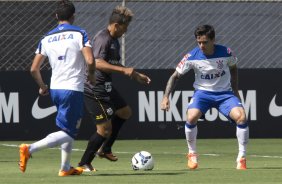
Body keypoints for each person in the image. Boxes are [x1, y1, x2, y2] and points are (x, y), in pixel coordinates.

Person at [18, 0, 95, 176]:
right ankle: (29, 149)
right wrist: (91, 76)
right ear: (73, 16)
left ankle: (65, 168)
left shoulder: (46, 38)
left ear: (56, 17)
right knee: (70, 133)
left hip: (56, 89)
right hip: (73, 88)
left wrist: (43, 86)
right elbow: (90, 61)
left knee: (66, 129)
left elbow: (33, 69)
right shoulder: (79, 33)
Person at [160, 24, 249, 170]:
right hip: (202, 94)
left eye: (205, 42)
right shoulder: (191, 56)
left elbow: (233, 68)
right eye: (199, 42)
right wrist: (165, 97)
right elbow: (175, 76)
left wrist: (235, 88)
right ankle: (192, 154)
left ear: (213, 40)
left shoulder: (226, 52)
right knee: (191, 117)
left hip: (224, 94)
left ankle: (242, 157)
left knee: (242, 117)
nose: (201, 45)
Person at [77, 5, 151, 172]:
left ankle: (105, 149)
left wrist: (134, 74)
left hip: (106, 86)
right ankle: (84, 164)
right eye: (125, 28)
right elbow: (97, 63)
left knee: (125, 112)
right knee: (104, 129)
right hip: (94, 89)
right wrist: (125, 71)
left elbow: (114, 64)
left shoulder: (115, 41)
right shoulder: (103, 39)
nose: (126, 31)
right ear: (116, 25)